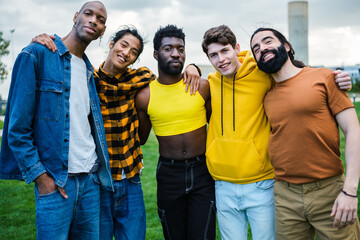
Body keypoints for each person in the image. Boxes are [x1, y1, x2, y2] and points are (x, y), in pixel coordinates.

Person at [31, 26, 201, 240]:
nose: (126, 52)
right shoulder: (89, 80)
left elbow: (168, 77)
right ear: (111, 45)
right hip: (100, 181)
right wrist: (46, 40)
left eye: (133, 52)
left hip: (131, 179)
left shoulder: (141, 77)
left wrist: (194, 66)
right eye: (124, 45)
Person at [201, 25, 353, 240]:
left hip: (263, 182)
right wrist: (191, 67)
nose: (221, 59)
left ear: (237, 48)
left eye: (225, 51)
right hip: (226, 183)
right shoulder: (211, 83)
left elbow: (295, 74)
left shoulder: (262, 74)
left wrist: (338, 79)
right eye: (213, 55)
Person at [0, 1, 114, 240]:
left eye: (101, 19)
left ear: (103, 31)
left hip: (91, 179)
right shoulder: (36, 54)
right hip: (56, 181)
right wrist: (42, 178)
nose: (94, 20)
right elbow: (17, 129)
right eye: (88, 14)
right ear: (76, 16)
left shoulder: (88, 71)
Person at [250, 27, 360, 240]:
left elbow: (353, 129)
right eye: (256, 48)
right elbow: (230, 56)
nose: (262, 48)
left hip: (329, 191)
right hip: (285, 195)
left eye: (267, 41)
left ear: (287, 46)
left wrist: (350, 191)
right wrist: (192, 67)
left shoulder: (325, 77)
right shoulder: (266, 95)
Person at [135, 25, 215, 240]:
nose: (176, 53)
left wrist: (194, 67)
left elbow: (216, 126)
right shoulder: (145, 96)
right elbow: (141, 138)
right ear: (155, 54)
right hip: (169, 175)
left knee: (203, 235)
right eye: (168, 48)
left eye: (180, 49)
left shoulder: (202, 87)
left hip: (202, 172)